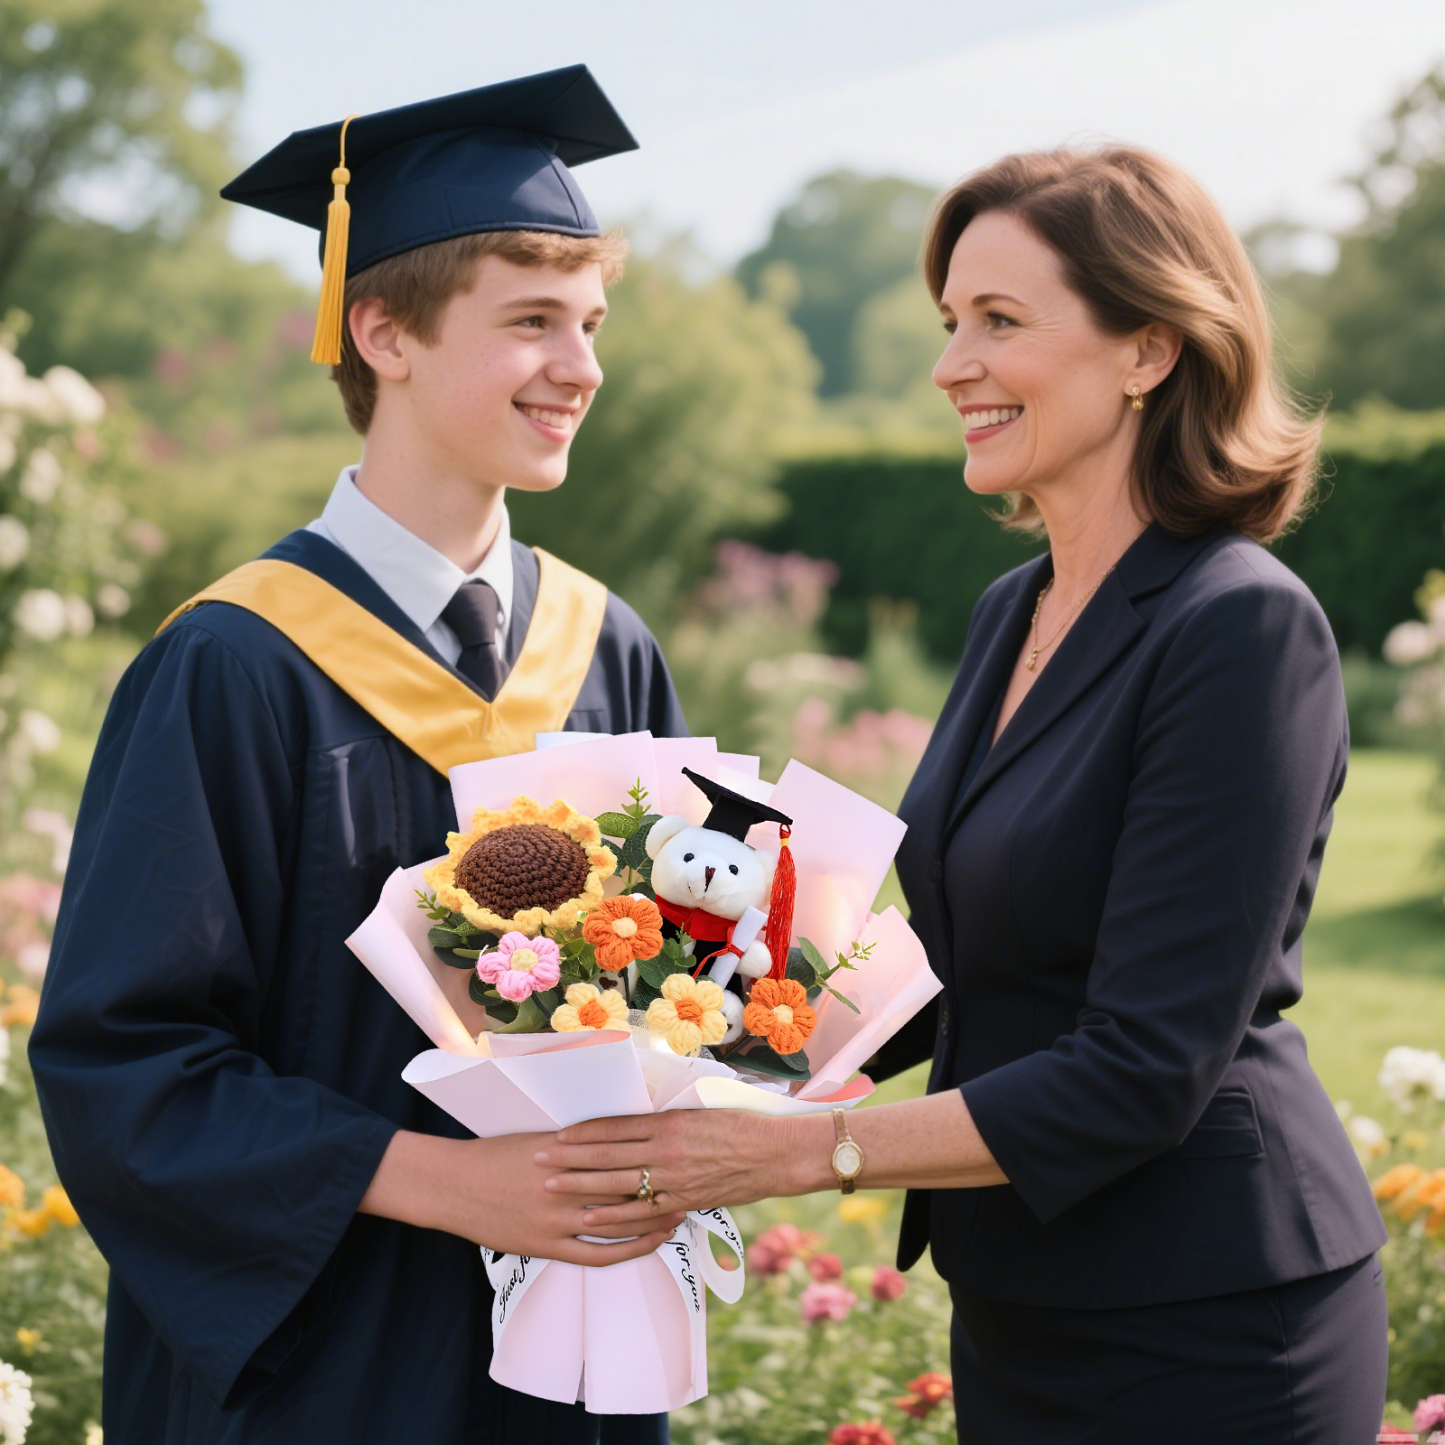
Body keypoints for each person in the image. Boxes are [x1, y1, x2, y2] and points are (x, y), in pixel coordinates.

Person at [537, 146, 1390, 1442]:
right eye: (949, 324)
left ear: (1146, 350)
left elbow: (1144, 1063)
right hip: (1022, 1297)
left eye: (998, 321)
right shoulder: (1011, 611)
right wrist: (682, 1047)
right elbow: (954, 960)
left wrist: (793, 1153)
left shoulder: (1238, 626)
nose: (950, 366)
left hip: (1211, 1321)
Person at [31, 68, 685, 1445]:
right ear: (380, 331)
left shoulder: (604, 646)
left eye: (589, 323)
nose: (582, 368)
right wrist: (456, 1184)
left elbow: (677, 989)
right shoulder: (231, 664)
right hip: (319, 1371)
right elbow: (126, 1066)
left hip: (571, 1355)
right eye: (530, 323)